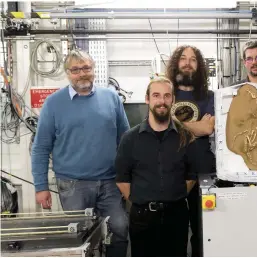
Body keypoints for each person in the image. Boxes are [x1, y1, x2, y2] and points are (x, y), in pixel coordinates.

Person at [31, 49, 130, 256]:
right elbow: (40, 148)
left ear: (93, 69)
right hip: (73, 185)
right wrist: (41, 187)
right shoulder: (53, 103)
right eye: (75, 70)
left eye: (86, 68)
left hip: (111, 182)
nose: (82, 73)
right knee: (80, 240)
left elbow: (126, 141)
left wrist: (127, 178)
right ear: (67, 73)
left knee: (119, 229)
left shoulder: (111, 98)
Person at [115, 77, 214, 257]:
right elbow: (122, 180)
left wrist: (172, 196)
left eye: (167, 96)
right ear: (147, 99)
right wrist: (143, 200)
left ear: (173, 100)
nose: (162, 101)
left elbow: (191, 176)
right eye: (156, 95)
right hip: (142, 220)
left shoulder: (185, 137)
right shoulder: (130, 139)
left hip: (176, 218)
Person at [166, 45, 215, 257]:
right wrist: (196, 127)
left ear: (199, 66)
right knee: (173, 231)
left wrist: (175, 124)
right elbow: (161, 126)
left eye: (193, 59)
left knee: (202, 231)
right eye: (183, 58)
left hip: (202, 171)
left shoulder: (209, 96)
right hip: (171, 172)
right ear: (176, 63)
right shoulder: (166, 94)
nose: (187, 62)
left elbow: (208, 128)